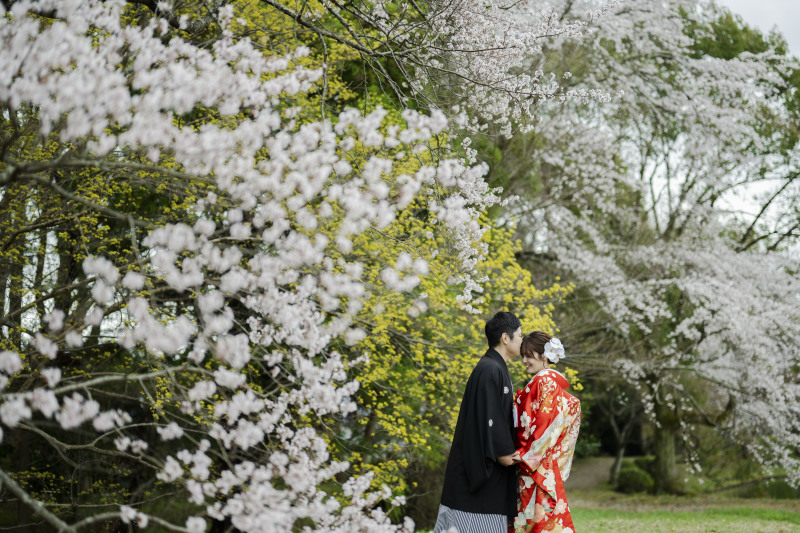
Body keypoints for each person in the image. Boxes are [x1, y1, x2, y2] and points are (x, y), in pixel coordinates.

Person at [434, 311, 523, 533]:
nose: (522, 340)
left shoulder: (493, 367)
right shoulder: (490, 368)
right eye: (520, 335)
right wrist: (504, 452)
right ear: (505, 338)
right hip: (480, 474)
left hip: (484, 469)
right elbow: (490, 416)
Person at [511, 331, 581, 533]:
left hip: (533, 465)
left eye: (528, 355)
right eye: (523, 356)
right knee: (535, 522)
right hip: (537, 465)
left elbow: (547, 424)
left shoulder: (545, 382)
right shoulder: (545, 382)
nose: (524, 361)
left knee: (534, 522)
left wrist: (526, 454)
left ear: (544, 355)